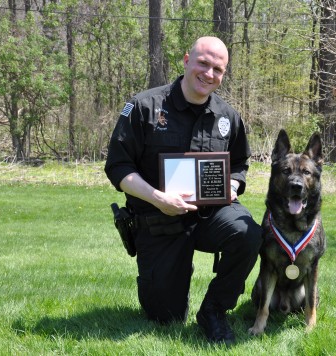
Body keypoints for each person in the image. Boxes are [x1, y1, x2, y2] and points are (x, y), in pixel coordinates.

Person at [104, 36, 262, 345]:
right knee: (165, 316)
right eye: (203, 63)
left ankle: (214, 311)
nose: (209, 74)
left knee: (248, 234)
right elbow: (118, 167)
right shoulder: (143, 107)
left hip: (210, 216)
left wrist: (231, 185)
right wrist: (157, 198)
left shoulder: (228, 117)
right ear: (186, 60)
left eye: (218, 69)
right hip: (159, 220)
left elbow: (240, 163)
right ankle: (170, 283)